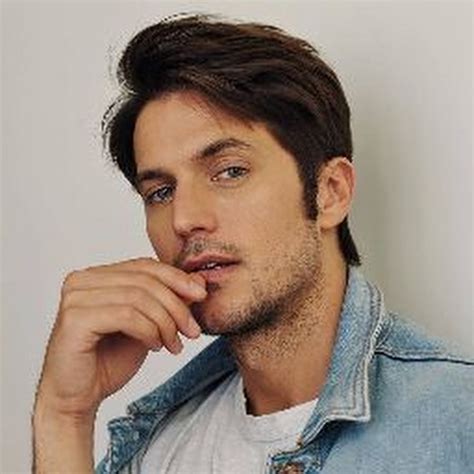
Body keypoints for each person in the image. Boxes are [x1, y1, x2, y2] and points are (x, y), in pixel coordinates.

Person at [32, 13, 473, 474]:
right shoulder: (157, 448)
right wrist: (64, 416)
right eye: (160, 192)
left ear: (330, 192)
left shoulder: (457, 423)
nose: (184, 219)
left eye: (230, 172)